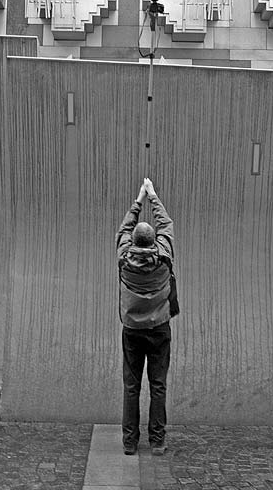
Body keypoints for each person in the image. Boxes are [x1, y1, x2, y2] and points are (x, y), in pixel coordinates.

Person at [116, 177, 178, 456]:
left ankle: (130, 442)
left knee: (131, 386)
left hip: (132, 330)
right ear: (154, 241)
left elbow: (124, 228)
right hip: (159, 329)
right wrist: (152, 195)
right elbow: (166, 224)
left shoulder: (123, 258)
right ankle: (157, 441)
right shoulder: (164, 257)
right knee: (158, 385)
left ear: (133, 242)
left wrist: (138, 200)